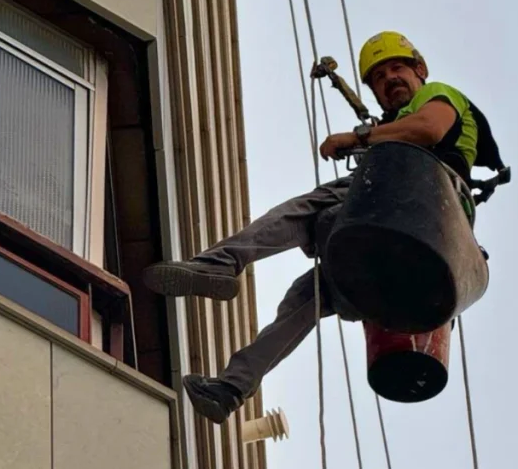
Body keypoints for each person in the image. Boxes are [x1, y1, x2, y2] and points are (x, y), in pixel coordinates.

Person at [142, 31, 484, 423]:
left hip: (412, 202)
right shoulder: (395, 127)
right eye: (378, 77)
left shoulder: (439, 95)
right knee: (305, 296)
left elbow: (429, 130)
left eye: (397, 68)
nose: (389, 79)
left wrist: (360, 137)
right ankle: (232, 388)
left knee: (302, 211)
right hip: (400, 263)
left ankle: (220, 263)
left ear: (419, 70)